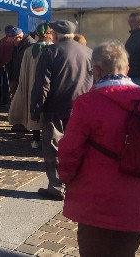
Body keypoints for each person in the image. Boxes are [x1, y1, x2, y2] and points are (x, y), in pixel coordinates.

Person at [59, 40, 140, 255]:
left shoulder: (87, 103)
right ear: (127, 69)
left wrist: (66, 178)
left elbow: (69, 151)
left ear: (95, 70)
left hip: (99, 197)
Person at [30, 20, 93, 201]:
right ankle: (78, 184)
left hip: (55, 108)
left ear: (55, 35)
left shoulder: (51, 52)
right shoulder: (88, 52)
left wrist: (35, 110)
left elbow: (42, 85)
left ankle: (57, 186)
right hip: (82, 108)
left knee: (53, 147)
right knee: (79, 146)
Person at [9, 23, 53, 148]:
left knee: (35, 109)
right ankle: (49, 140)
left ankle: (35, 140)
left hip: (32, 86)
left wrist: (23, 85)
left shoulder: (29, 50)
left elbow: (23, 72)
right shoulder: (55, 49)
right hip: (50, 85)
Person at [0, 25, 16, 106]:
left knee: (5, 84)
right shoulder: (16, 40)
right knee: (14, 83)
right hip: (15, 65)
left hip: (5, 66)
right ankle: (12, 101)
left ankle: (5, 101)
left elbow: (0, 54)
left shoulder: (3, 41)